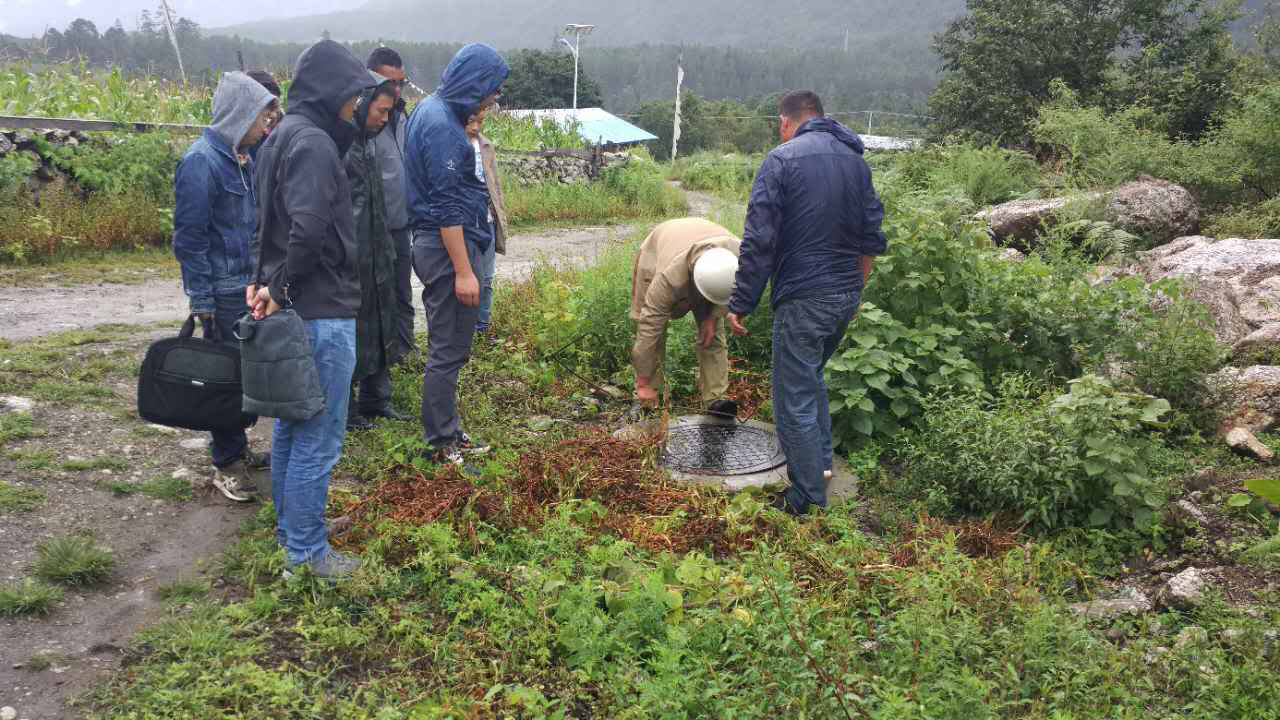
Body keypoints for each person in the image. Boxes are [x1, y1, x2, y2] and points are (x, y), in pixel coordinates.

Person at [726, 90, 887, 516]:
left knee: (792, 395)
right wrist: (856, 291)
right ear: (819, 115)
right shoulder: (856, 161)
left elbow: (760, 240)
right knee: (812, 379)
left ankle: (806, 500)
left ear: (785, 121)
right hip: (844, 293)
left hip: (804, 296)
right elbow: (871, 235)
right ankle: (822, 470)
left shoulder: (781, 160)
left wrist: (742, 300)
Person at [249, 39, 374, 579]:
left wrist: (265, 282)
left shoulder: (280, 137)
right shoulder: (316, 143)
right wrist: (280, 285)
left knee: (293, 427)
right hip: (321, 311)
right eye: (352, 94)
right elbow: (306, 229)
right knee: (319, 436)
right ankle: (305, 554)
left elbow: (266, 225)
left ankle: (293, 529)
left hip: (297, 305)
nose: (356, 106)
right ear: (331, 90)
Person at [172, 71, 276, 503]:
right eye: (261, 115)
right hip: (222, 289)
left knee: (246, 374)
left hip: (247, 286)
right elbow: (189, 238)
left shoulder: (241, 158)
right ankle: (226, 462)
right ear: (239, 114)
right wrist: (202, 298)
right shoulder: (201, 162)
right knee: (224, 379)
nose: (267, 123)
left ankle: (239, 448)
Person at [403, 43, 508, 465]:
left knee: (452, 347)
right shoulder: (443, 125)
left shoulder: (431, 111)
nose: (493, 99)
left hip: (446, 242)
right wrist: (464, 272)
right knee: (447, 352)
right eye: (492, 90)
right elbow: (447, 208)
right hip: (448, 247)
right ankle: (441, 443)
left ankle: (450, 431)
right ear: (476, 82)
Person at [345, 73, 407, 431]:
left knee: (383, 321)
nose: (385, 120)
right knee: (355, 328)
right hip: (353, 253)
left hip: (379, 246)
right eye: (380, 111)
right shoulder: (343, 144)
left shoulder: (369, 142)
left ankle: (376, 398)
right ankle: (348, 408)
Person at [630, 218, 742, 415]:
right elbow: (648, 329)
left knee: (712, 334)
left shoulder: (741, 257)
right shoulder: (666, 279)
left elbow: (732, 293)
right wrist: (642, 381)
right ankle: (647, 399)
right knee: (654, 334)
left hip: (708, 253)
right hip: (657, 251)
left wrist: (713, 316)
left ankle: (716, 401)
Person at [366, 48, 418, 359]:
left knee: (402, 291)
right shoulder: (367, 122)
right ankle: (378, 360)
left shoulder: (401, 117)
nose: (397, 90)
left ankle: (405, 352)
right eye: (390, 82)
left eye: (401, 83)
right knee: (375, 297)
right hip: (373, 227)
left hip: (401, 225)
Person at [464, 104, 509, 336]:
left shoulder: (486, 146)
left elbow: (495, 186)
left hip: (488, 220)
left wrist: (500, 213)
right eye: (471, 121)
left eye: (480, 122)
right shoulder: (454, 145)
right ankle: (464, 331)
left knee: (487, 278)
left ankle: (482, 328)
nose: (475, 127)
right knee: (468, 277)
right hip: (465, 223)